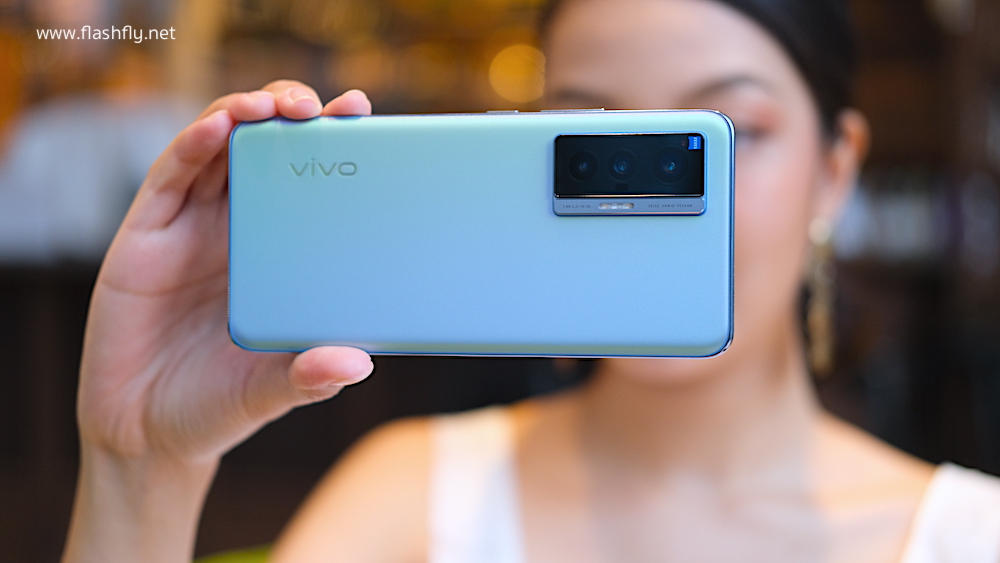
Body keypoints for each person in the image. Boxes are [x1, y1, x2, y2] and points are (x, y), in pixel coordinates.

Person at [62, 0, 1000, 562]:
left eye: (725, 135)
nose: (637, 212)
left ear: (835, 171)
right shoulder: (409, 495)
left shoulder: (970, 535)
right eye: (591, 136)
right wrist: (137, 467)